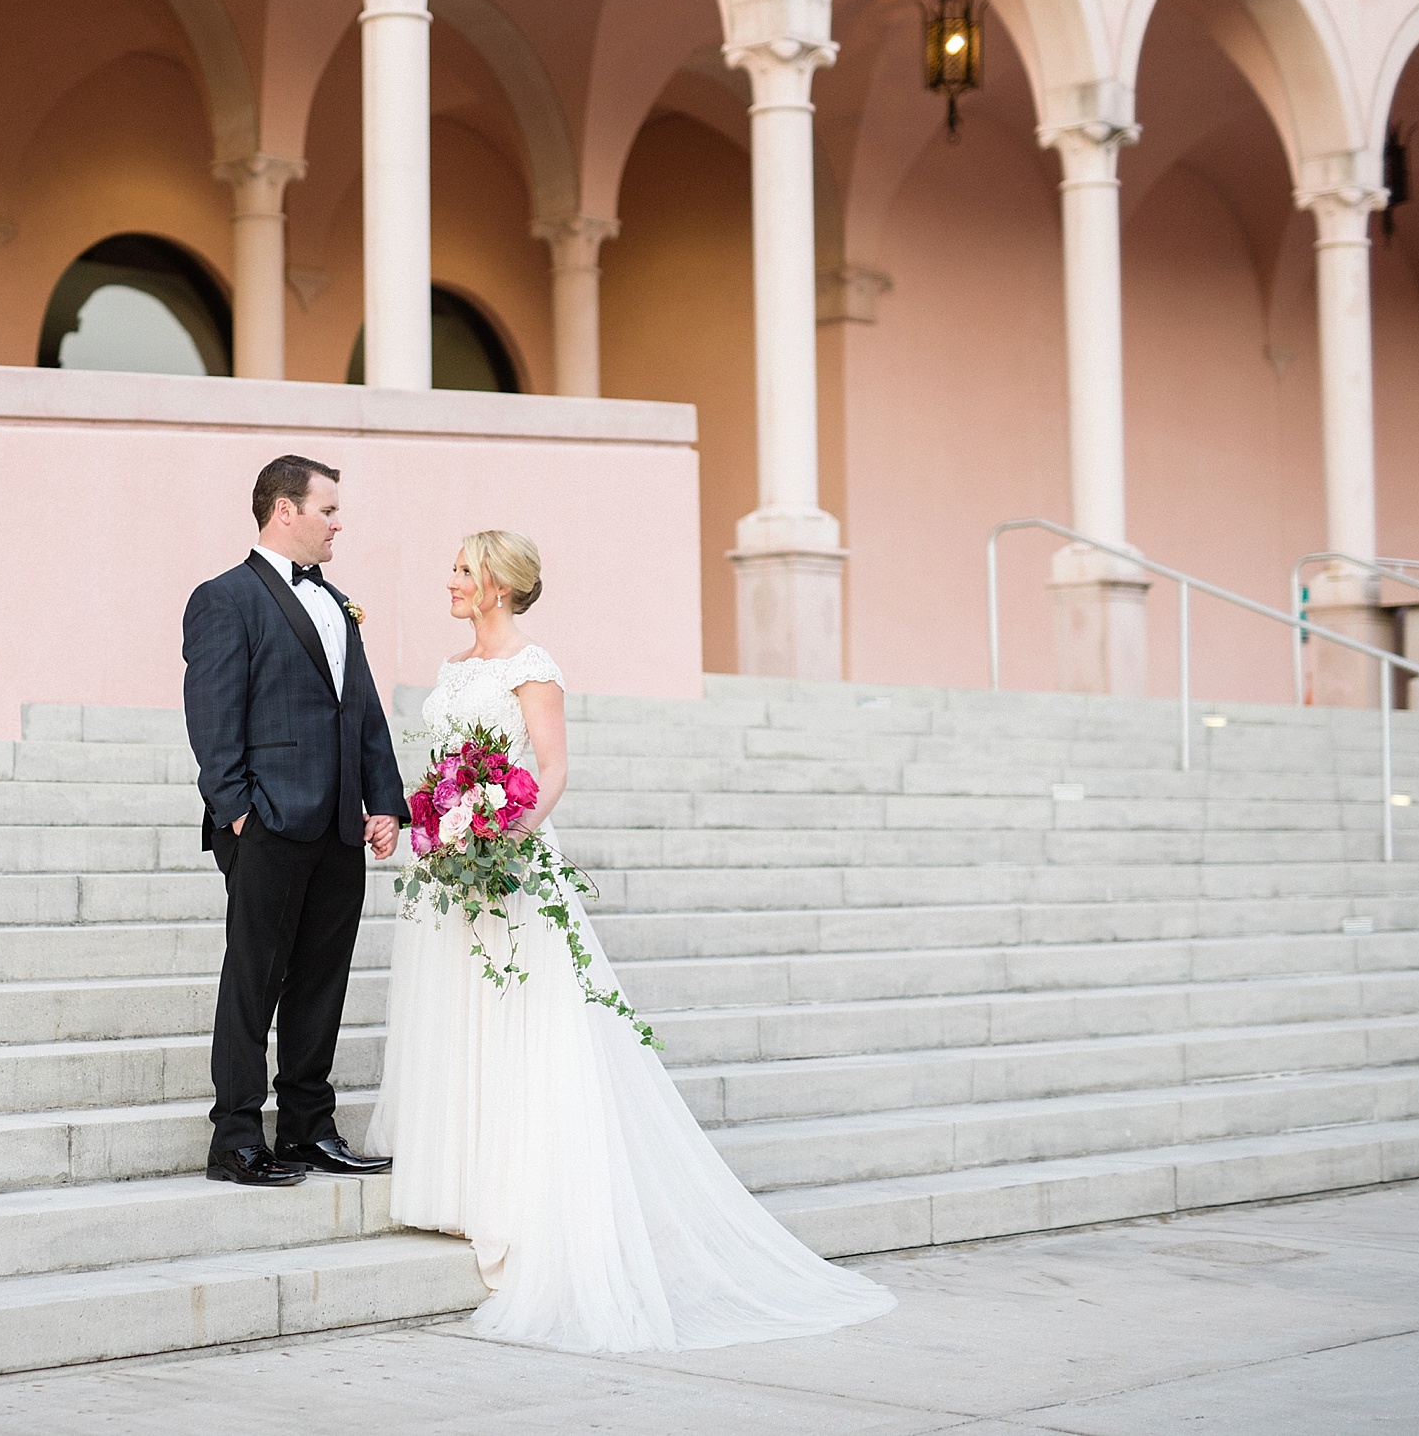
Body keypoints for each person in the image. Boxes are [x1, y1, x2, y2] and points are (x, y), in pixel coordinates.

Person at [367, 529, 896, 1350]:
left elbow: (550, 769)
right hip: (445, 870)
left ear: (498, 585)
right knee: (455, 1014)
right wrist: (421, 820)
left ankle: (515, 1191)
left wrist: (502, 838)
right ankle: (458, 1185)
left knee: (517, 1022)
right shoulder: (453, 667)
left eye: (464, 570)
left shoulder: (533, 668)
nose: (451, 580)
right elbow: (444, 769)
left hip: (506, 864)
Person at [182, 455, 407, 1187]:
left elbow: (362, 711)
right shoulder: (225, 598)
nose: (339, 524)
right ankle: (235, 1138)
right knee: (254, 981)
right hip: (268, 825)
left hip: (339, 827)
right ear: (286, 510)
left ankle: (308, 1130)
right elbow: (212, 718)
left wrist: (384, 801)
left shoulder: (338, 604)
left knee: (321, 982)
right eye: (328, 510)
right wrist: (240, 814)